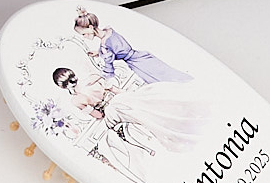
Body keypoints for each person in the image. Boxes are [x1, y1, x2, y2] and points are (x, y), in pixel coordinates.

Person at [52, 65, 207, 163]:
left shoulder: (76, 100)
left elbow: (98, 116)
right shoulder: (93, 78)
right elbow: (114, 89)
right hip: (120, 99)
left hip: (110, 112)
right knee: (144, 105)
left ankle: (147, 148)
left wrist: (102, 107)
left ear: (62, 86)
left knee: (115, 133)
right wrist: (128, 96)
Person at [72, 8, 190, 86]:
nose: (84, 37)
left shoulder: (105, 46)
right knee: (166, 73)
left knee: (161, 81)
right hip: (141, 55)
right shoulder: (109, 32)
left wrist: (97, 78)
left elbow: (109, 68)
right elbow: (116, 48)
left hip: (137, 63)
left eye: (84, 34)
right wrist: (99, 53)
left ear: (91, 28)